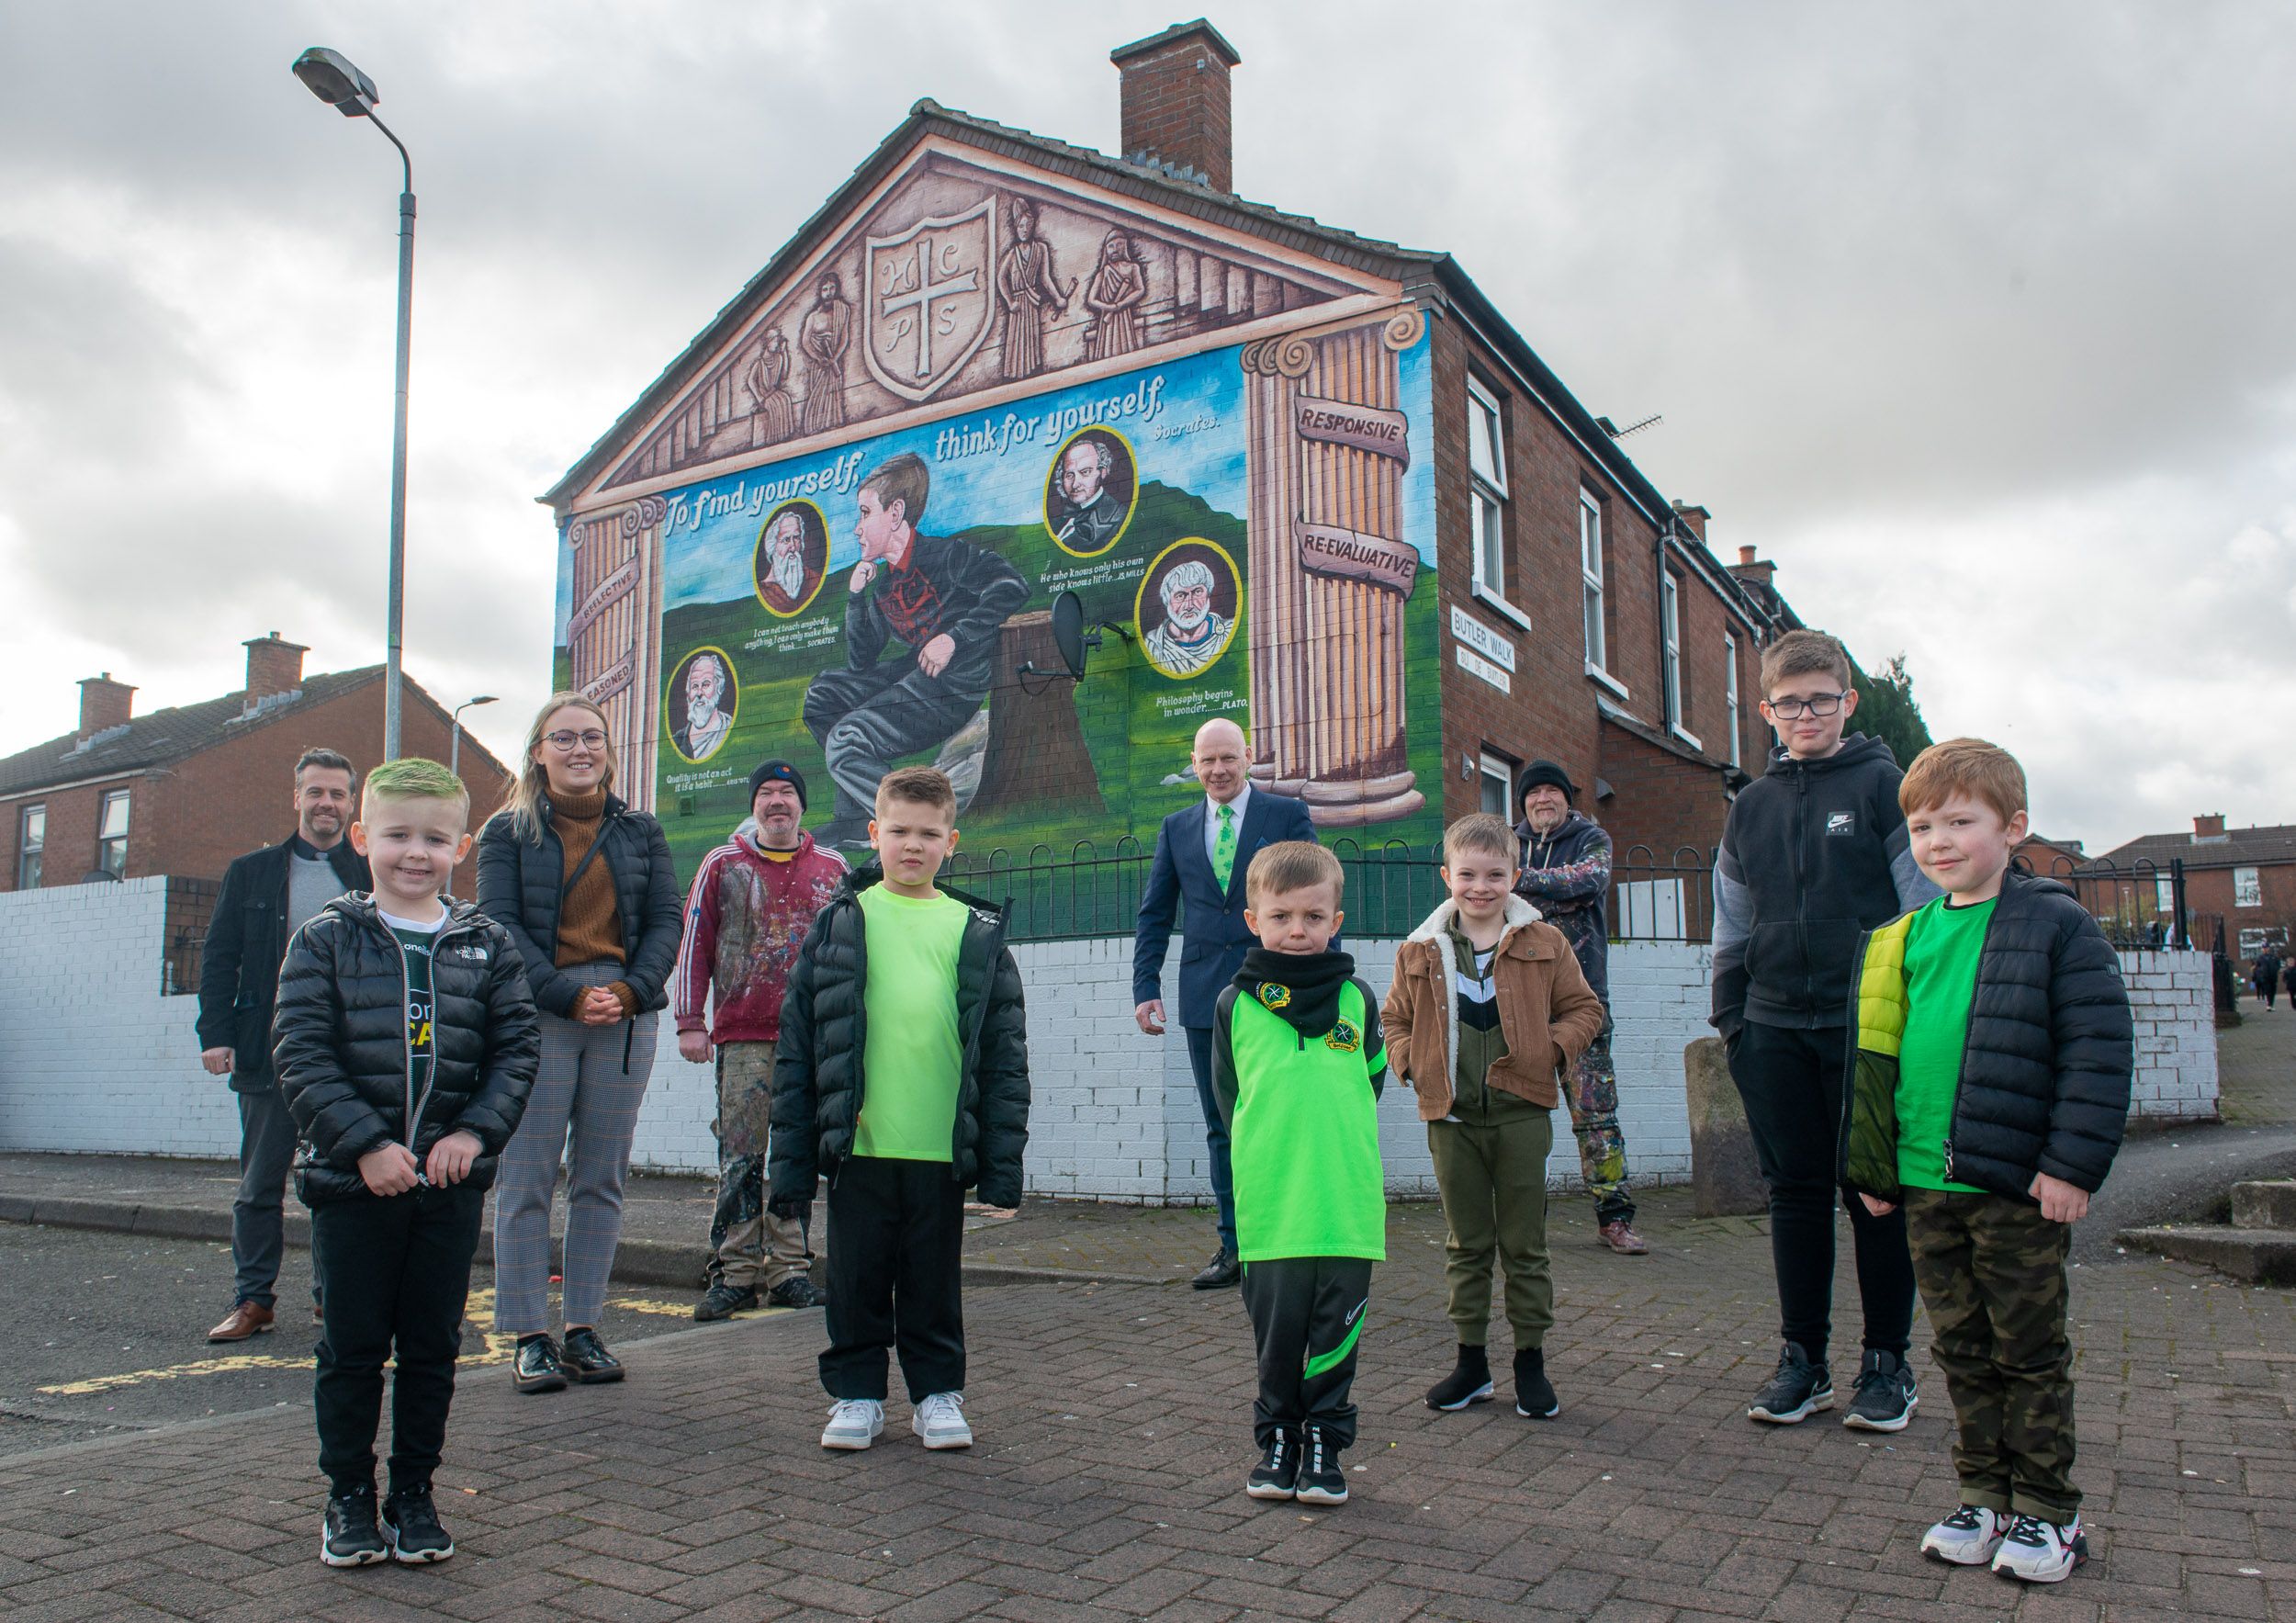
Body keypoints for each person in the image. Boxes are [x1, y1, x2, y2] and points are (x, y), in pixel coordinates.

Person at [1840, 739, 2132, 1584]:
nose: (1938, 840)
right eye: (1923, 824)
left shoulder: (2057, 925)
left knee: (2028, 1350)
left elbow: (2098, 1053)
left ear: (2014, 826)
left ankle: (2049, 1510)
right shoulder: (1898, 938)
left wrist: (2072, 1166)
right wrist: (1875, 1169)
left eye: (1960, 821)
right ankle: (1984, 1496)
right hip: (1926, 1186)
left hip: (2013, 1186)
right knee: (1961, 1348)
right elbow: (1873, 1061)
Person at [272, 758, 540, 1568]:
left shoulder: (487, 944)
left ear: (461, 844)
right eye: (396, 835)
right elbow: (301, 1054)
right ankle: (348, 1495)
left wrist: (474, 1136)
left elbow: (517, 1052)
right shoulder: (325, 938)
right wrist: (366, 1147)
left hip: (447, 1190)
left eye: (434, 837)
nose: (414, 853)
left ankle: (414, 1494)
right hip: (355, 1189)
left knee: (431, 1348)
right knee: (352, 1349)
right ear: (363, 839)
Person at [1711, 627, 1940, 1431]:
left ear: (1848, 702)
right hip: (1771, 1030)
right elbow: (1731, 926)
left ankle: (1887, 1364)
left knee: (1874, 1195)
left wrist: (1912, 1027)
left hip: (1867, 1032)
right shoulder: (1751, 806)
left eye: (1821, 700)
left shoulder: (1887, 787)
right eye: (1788, 703)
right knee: (1795, 1198)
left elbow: (1922, 916)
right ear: (1766, 710)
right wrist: (1733, 1022)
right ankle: (1802, 1361)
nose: (1805, 714)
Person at [769, 766, 1030, 1455]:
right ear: (873, 832)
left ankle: (936, 1393)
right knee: (854, 1278)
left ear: (952, 840)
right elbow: (800, 1047)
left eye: (928, 833)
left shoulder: (976, 931)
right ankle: (856, 1395)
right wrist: (791, 1164)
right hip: (860, 1143)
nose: (912, 845)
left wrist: (1003, 1167)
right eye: (898, 831)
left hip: (940, 1148)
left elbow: (1005, 1058)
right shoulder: (839, 924)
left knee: (932, 1281)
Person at [477, 695, 683, 1395]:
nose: (579, 749)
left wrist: (628, 991)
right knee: (526, 1175)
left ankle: (584, 1328)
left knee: (601, 1179)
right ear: (538, 751)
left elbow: (664, 919)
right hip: (539, 1009)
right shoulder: (506, 832)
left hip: (625, 1014)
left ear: (608, 749)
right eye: (562, 738)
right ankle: (530, 1335)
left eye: (591, 737)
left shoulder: (642, 831)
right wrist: (568, 994)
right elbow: (500, 926)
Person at [1386, 814, 1606, 1420]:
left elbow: (1584, 1009)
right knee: (1467, 1245)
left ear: (1515, 877)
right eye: (1467, 874)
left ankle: (1530, 1364)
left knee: (1525, 1245)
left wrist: (1550, 1051)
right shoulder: (1420, 948)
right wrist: (1413, 1065)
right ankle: (1471, 1364)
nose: (1480, 886)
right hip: (1451, 1121)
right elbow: (1393, 1020)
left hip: (1521, 1117)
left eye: (1495, 874)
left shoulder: (1544, 942)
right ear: (1446, 876)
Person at [1210, 840, 1388, 1506]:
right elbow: (1231, 1101)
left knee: (1335, 1337)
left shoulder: (1359, 1000)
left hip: (1344, 1205)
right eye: (1281, 915)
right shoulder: (1235, 1005)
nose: (1297, 929)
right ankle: (1278, 1439)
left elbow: (1369, 1083)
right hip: (1272, 1207)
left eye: (1314, 917)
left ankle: (1324, 1446)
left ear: (1335, 920)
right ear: (1253, 919)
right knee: (1278, 1339)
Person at [1132, 717, 1321, 1288]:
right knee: (1223, 1125)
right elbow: (1156, 914)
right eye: (1207, 760)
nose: (1217, 770)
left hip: (1280, 992)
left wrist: (1322, 981)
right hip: (1203, 999)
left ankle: (1289, 1243)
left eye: (1228, 759)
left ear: (1247, 759)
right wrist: (1146, 987)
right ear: (1195, 763)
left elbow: (1317, 893)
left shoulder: (1284, 816)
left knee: (1283, 1120)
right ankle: (1235, 1248)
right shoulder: (1176, 827)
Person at [195, 746, 371, 1343]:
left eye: (337, 794)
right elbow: (221, 956)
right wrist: (214, 1033)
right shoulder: (254, 872)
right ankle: (253, 1300)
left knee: (340, 1182)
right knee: (258, 1184)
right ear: (297, 797)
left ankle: (334, 1298)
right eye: (315, 792)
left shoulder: (369, 874)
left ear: (352, 804)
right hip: (266, 1048)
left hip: (348, 1054)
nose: (326, 803)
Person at [674, 759, 845, 1319]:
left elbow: (851, 951)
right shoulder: (722, 864)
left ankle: (792, 1270)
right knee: (742, 1157)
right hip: (742, 1037)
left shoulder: (833, 867)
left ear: (802, 805)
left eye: (787, 793)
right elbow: (695, 940)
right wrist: (690, 1022)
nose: (777, 801)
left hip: (811, 1040)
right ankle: (735, 1271)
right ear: (753, 805)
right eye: (766, 792)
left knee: (796, 1157)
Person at [801, 452, 1030, 849]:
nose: (857, 528)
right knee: (823, 697)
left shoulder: (947, 556)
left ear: (895, 513)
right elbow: (861, 661)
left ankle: (909, 826)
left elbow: (1011, 585)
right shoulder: (887, 584)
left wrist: (954, 638)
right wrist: (856, 598)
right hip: (916, 679)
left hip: (954, 687)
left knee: (846, 738)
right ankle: (858, 817)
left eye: (864, 513)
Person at [1511, 761, 1648, 1255]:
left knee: (1596, 1113)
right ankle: (1524, 1221)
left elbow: (1586, 881)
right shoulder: (1507, 841)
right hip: (1516, 1004)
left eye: (1554, 791)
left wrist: (1520, 881)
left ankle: (1614, 1218)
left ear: (1568, 799)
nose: (1544, 798)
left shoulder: (1592, 837)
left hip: (1581, 1003)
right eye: (1534, 792)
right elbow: (1483, 893)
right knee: (1519, 1113)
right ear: (1522, 801)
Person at [1142, 560, 1233, 677]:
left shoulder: (1228, 632)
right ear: (1168, 601)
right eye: (1180, 596)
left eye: (1197, 592)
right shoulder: (1153, 644)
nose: (1189, 605)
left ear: (1208, 594)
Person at [1048, 435, 1127, 554]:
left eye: (1085, 472)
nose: (1075, 484)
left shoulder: (1118, 516)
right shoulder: (1058, 521)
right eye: (1069, 475)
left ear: (1103, 472)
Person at [1082, 228, 1147, 360]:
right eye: (1111, 246)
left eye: (1118, 244)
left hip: (1124, 315)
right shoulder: (1103, 272)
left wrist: (1120, 304)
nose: (1115, 249)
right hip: (1107, 318)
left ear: (1125, 246)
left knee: (1126, 346)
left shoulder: (1133, 268)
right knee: (1106, 350)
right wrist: (1109, 307)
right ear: (1106, 250)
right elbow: (1091, 300)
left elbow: (1140, 290)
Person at [673, 652, 735, 762]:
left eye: (706, 684)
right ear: (688, 694)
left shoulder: (730, 729)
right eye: (695, 686)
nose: (699, 692)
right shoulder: (678, 740)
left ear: (718, 688)